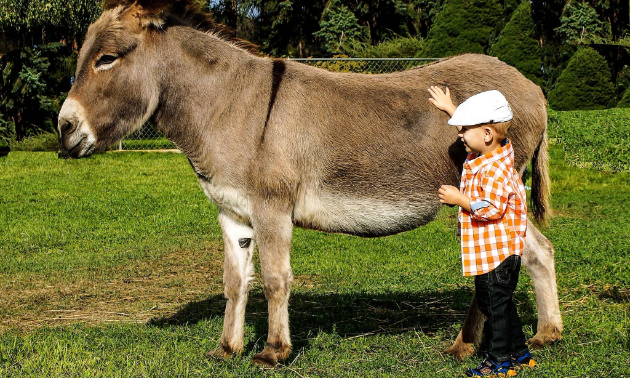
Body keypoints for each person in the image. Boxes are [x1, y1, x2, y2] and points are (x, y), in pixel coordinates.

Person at [428, 87, 537, 377]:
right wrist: (452, 109)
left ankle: (499, 362)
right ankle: (519, 353)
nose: (460, 135)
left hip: (498, 253)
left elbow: (491, 209)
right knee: (499, 303)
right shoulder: (491, 154)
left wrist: (459, 199)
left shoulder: (494, 171)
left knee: (494, 307)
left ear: (487, 134)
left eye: (464, 130)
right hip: (493, 251)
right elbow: (475, 133)